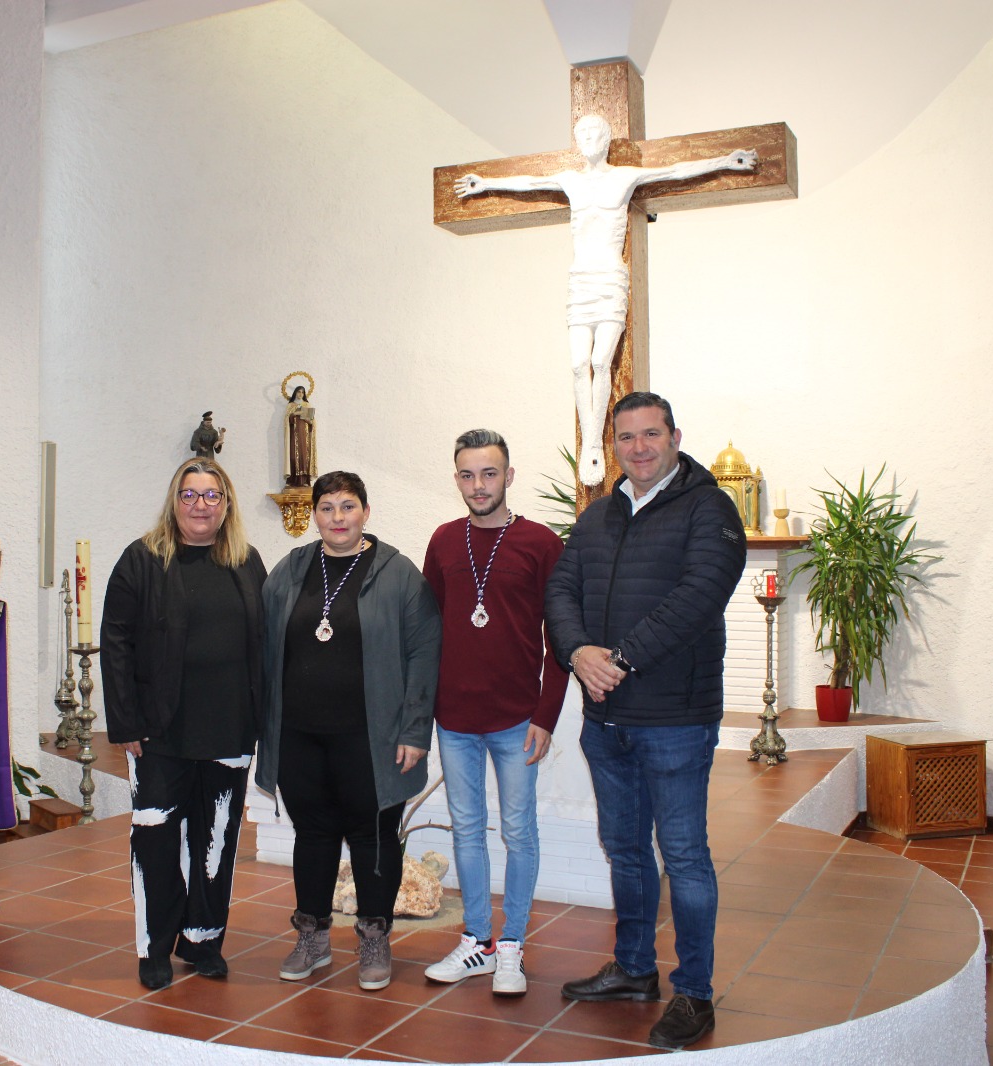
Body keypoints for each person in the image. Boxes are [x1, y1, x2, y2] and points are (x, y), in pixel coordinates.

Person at [543, 392, 746, 1050]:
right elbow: (560, 590)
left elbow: (699, 596)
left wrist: (619, 660)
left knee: (684, 856)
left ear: (674, 436)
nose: (638, 448)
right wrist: (577, 653)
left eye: (650, 435)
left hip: (675, 718)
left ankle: (694, 992)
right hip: (608, 719)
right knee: (625, 849)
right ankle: (634, 969)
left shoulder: (709, 510)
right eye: (625, 437)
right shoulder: (598, 516)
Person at [454, 117, 757, 487]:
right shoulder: (571, 180)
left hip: (611, 279)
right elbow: (530, 183)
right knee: (580, 364)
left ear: (606, 138)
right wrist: (486, 184)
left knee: (601, 360)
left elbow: (675, 170)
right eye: (583, 135)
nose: (590, 140)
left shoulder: (624, 177)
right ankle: (591, 444)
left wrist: (724, 161)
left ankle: (596, 442)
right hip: (580, 280)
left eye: (596, 134)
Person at [255, 471, 441, 991]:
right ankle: (312, 936)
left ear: (365, 511)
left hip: (372, 736)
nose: (338, 517)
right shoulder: (290, 570)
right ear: (314, 514)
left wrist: (414, 730)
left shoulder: (398, 574)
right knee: (312, 834)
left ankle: (374, 938)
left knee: (374, 836)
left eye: (348, 506)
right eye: (328, 507)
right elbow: (262, 643)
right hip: (299, 733)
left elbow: (425, 653)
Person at [99, 457, 267, 990]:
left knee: (216, 841)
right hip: (160, 732)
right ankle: (155, 946)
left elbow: (263, 644)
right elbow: (117, 644)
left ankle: (202, 939)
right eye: (190, 495)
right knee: (156, 840)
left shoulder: (246, 562)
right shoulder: (142, 560)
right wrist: (123, 720)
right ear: (175, 502)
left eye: (211, 496)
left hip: (229, 728)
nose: (200, 505)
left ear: (227, 504)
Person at [421, 430, 569, 996]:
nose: (477, 485)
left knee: (518, 832)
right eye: (466, 474)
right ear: (456, 477)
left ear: (508, 476)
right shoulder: (442, 541)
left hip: (516, 718)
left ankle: (512, 947)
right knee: (466, 831)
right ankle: (477, 942)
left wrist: (546, 716)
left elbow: (561, 638)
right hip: (453, 718)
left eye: (488, 474)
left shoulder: (539, 543)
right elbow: (426, 629)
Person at [284, 385, 317, 487]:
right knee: (293, 456)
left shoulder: (307, 405)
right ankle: (292, 480)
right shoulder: (290, 405)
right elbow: (287, 420)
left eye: (302, 392)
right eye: (298, 392)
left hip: (305, 435)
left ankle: (305, 481)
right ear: (295, 393)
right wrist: (295, 414)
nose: (300, 394)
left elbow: (312, 422)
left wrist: (308, 419)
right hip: (294, 434)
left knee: (304, 457)